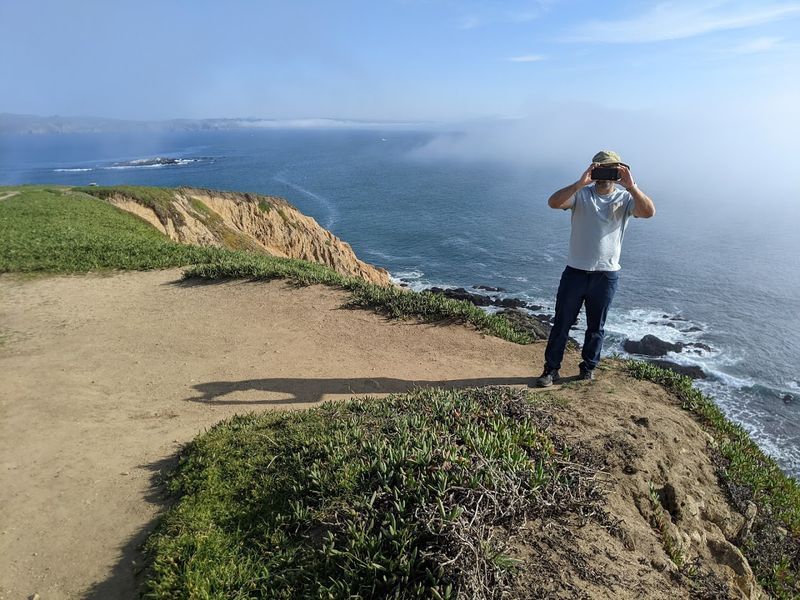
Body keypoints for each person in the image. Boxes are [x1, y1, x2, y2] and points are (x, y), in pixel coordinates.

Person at [535, 150, 656, 387]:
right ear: (593, 169)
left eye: (611, 170)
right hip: (575, 272)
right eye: (600, 169)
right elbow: (553, 202)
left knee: (595, 328)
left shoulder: (625, 198)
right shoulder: (581, 195)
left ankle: (588, 368)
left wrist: (631, 187)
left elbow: (648, 212)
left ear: (620, 172)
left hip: (606, 274)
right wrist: (579, 183)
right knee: (561, 323)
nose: (605, 175)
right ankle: (551, 370)